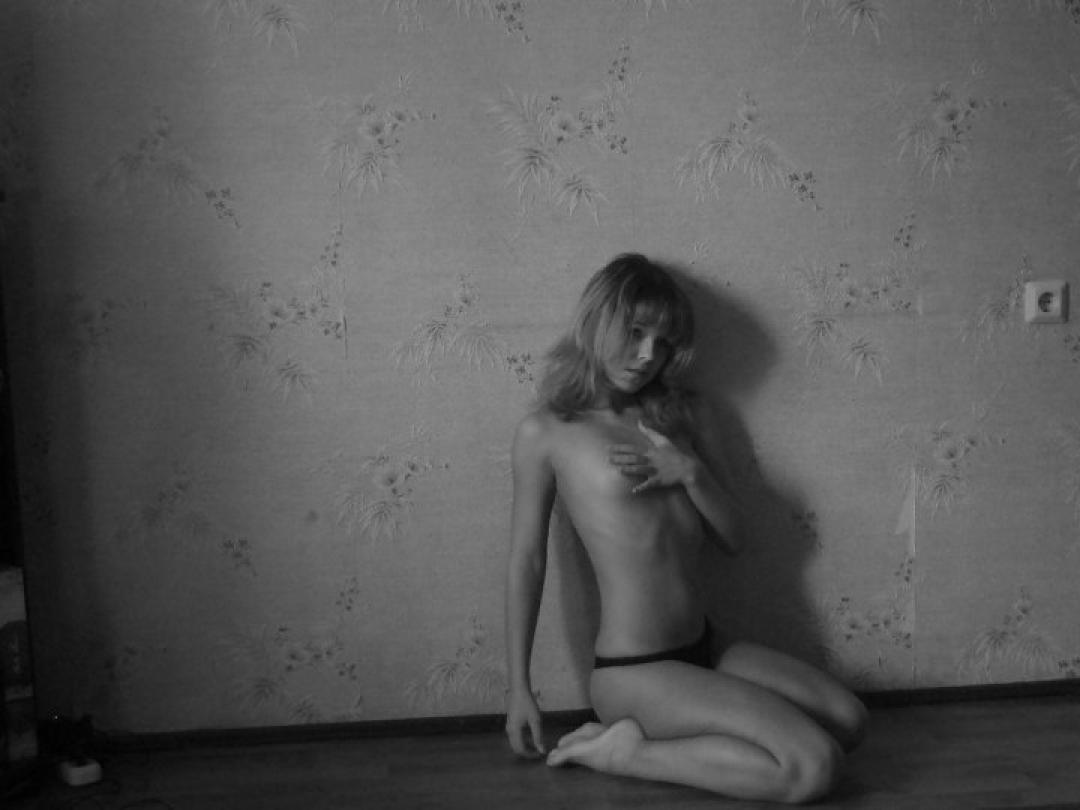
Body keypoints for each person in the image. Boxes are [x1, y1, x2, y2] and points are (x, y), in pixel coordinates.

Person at [504, 254, 867, 803]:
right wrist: (519, 688)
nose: (647, 355)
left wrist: (691, 472)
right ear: (597, 319)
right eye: (635, 332)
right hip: (634, 669)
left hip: (705, 645)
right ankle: (625, 752)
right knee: (814, 767)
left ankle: (691, 739)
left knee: (848, 721)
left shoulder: (683, 416)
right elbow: (526, 563)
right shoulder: (548, 432)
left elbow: (734, 540)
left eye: (663, 342)